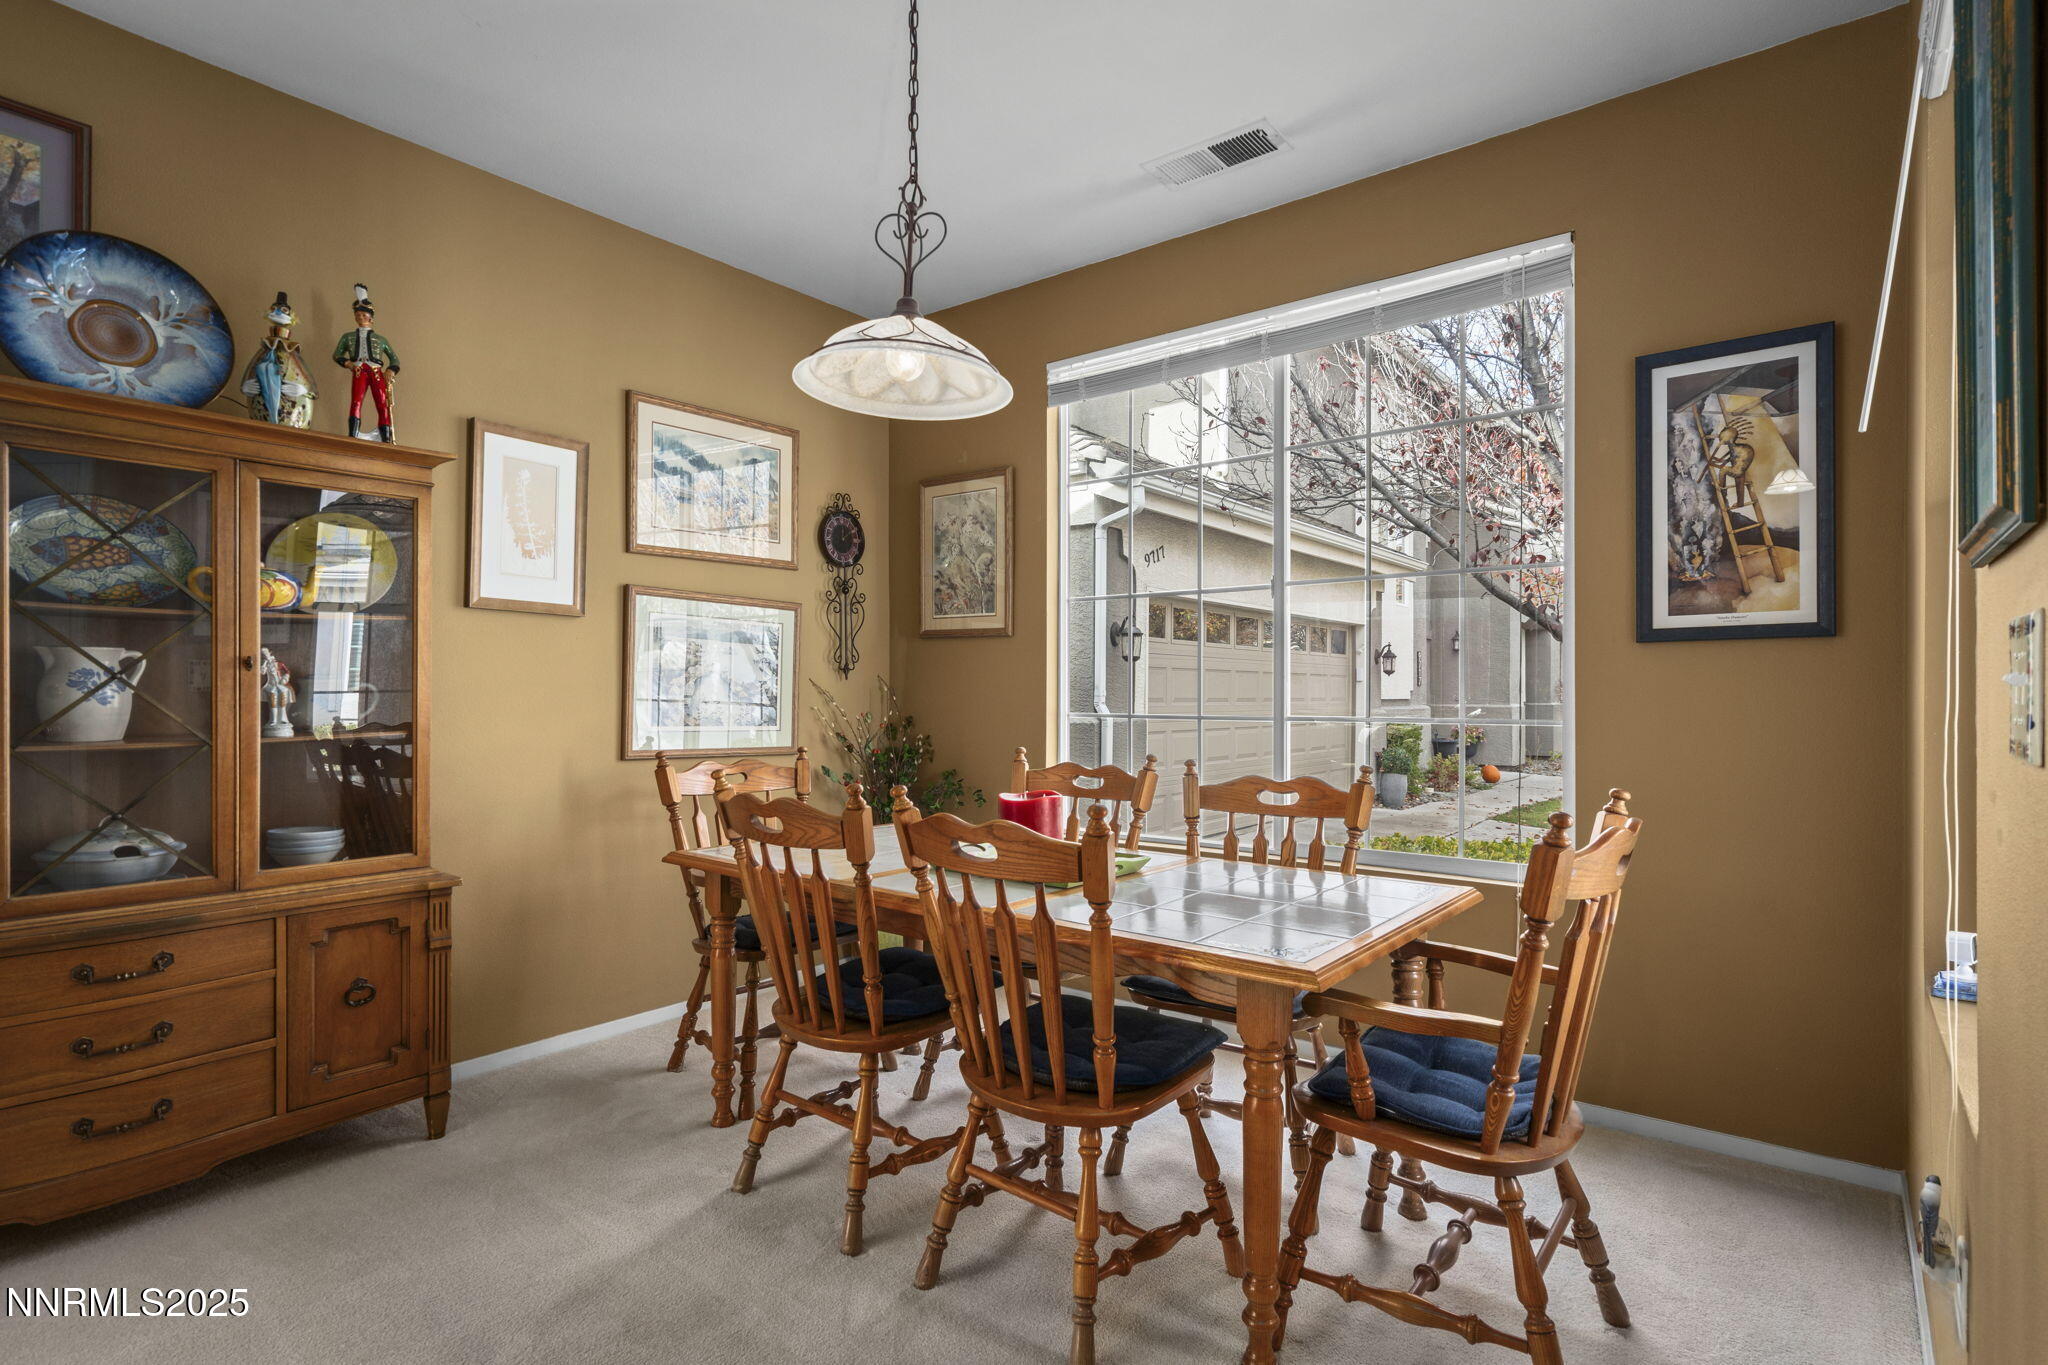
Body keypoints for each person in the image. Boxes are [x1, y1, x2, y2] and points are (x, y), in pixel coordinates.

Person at [332, 283, 399, 442]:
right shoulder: (348, 337)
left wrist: (390, 370)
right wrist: (349, 364)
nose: (360, 317)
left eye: (363, 315)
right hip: (359, 371)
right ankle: (353, 434)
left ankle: (385, 437)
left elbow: (394, 359)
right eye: (358, 315)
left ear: (370, 317)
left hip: (376, 372)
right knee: (356, 402)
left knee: (382, 404)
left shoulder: (381, 340)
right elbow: (337, 354)